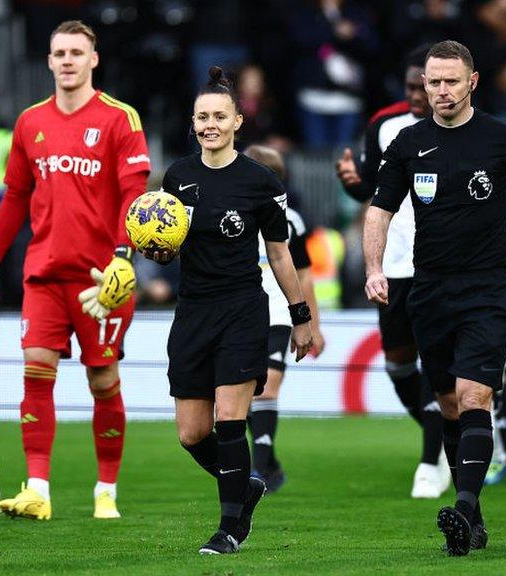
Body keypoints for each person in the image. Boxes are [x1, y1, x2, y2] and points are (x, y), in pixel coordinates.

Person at [364, 40, 506, 556]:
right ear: (423, 85)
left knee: (475, 397)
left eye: (451, 81)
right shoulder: (407, 143)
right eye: (433, 82)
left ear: (472, 81)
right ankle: (474, 517)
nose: (441, 90)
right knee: (449, 404)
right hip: (428, 290)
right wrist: (374, 267)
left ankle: (464, 507)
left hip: (488, 287)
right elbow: (378, 211)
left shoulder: (503, 140)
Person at [0, 20, 150, 521]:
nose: (67, 60)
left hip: (102, 280)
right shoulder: (29, 123)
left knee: (102, 378)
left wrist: (122, 254)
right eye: (59, 53)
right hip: (44, 273)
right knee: (35, 371)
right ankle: (38, 489)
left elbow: (135, 195)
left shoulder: (121, 118)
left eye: (76, 52)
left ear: (94, 59)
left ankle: (106, 489)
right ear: (48, 61)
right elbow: (13, 202)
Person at [136, 66, 312, 554]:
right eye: (201, 117)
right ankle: (246, 485)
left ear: (238, 121)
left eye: (219, 116)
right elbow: (169, 241)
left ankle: (230, 527)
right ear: (193, 124)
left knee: (231, 421)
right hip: (193, 313)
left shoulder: (259, 182)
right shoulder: (178, 176)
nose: (210, 124)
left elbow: (280, 254)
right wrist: (160, 253)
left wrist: (300, 318)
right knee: (192, 433)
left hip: (241, 310)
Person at [335, 44, 450, 500]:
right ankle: (447, 435)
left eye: (424, 85)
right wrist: (351, 179)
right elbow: (372, 184)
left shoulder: (461, 130)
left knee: (436, 362)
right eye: (410, 87)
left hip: (440, 267)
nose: (417, 95)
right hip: (394, 265)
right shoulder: (384, 124)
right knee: (398, 365)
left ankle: (430, 461)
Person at [242, 143, 325, 492]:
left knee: (267, 388)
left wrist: (312, 324)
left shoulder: (291, 220)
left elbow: (304, 274)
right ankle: (269, 460)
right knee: (243, 392)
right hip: (243, 310)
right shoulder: (233, 212)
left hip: (278, 311)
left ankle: (259, 469)